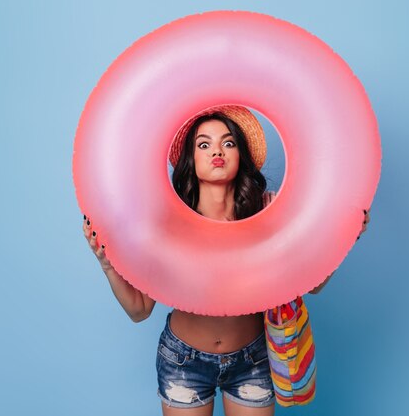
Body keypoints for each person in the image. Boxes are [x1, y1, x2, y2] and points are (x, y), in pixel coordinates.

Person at [82, 105, 370, 415]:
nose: (216, 151)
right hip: (184, 360)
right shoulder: (170, 225)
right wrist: (107, 263)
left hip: (253, 360)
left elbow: (311, 285)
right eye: (203, 144)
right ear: (191, 161)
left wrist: (345, 239)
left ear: (239, 154)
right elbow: (139, 310)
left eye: (228, 142)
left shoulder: (268, 212)